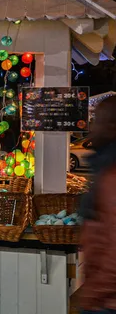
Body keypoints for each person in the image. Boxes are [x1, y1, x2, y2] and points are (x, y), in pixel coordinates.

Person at [77, 96, 116, 313]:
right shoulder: (104, 166)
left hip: (107, 302)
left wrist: (93, 294)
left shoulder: (112, 175)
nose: (92, 126)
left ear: (111, 126)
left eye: (97, 119)